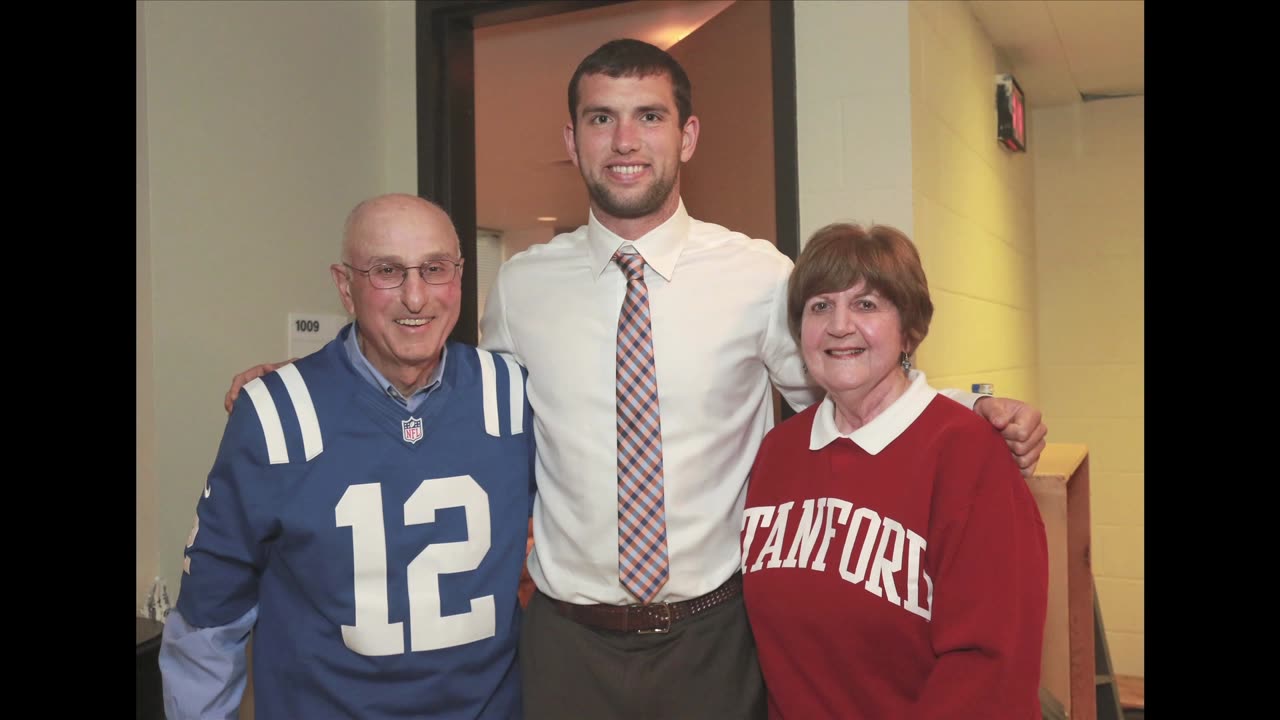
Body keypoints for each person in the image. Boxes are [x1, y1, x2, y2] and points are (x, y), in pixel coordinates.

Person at [225, 39, 1047, 719]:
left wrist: (967, 413)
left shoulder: (760, 274)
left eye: (649, 117)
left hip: (718, 636)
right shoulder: (521, 286)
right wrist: (309, 383)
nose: (625, 141)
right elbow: (442, 385)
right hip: (564, 641)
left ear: (686, 135)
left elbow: (851, 397)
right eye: (601, 119)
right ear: (573, 137)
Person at [161, 194, 535, 719]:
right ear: (345, 286)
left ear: (460, 275)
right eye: (387, 271)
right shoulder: (275, 414)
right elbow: (209, 621)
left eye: (435, 269)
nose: (415, 297)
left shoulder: (515, 394)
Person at [741, 222, 1048, 718]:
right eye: (821, 306)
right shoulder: (778, 454)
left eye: (866, 304)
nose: (840, 325)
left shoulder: (969, 454)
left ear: (909, 329)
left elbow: (992, 670)